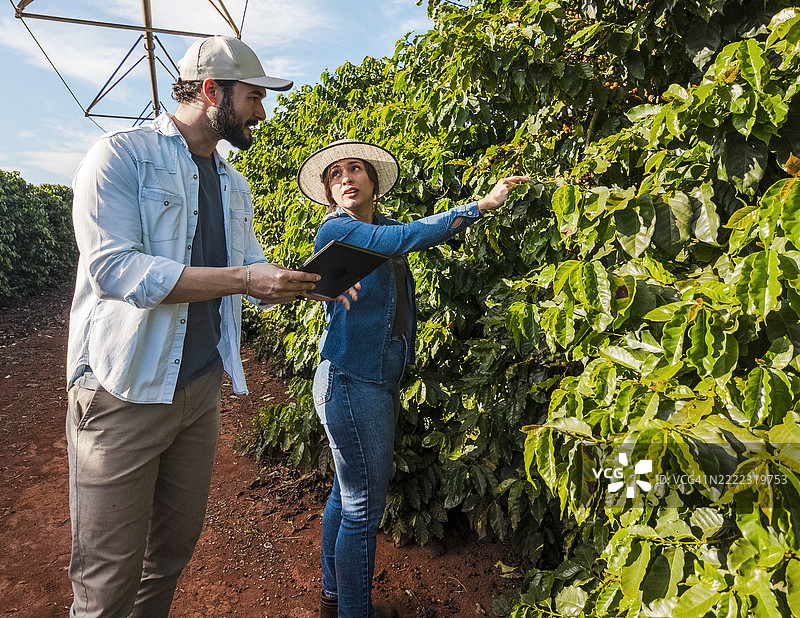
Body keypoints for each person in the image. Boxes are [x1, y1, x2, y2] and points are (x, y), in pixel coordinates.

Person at [66, 36, 356, 618]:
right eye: (253, 97)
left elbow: (251, 269)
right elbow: (115, 270)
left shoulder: (232, 182)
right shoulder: (120, 157)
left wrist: (305, 283)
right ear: (210, 91)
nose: (261, 113)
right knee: (107, 577)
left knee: (171, 553)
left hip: (199, 390)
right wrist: (246, 279)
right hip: (124, 390)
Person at [297, 139, 528, 618]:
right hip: (352, 380)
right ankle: (354, 613)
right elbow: (405, 238)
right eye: (335, 173)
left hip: (368, 377)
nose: (345, 178)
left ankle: (334, 599)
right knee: (362, 507)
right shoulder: (337, 230)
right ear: (329, 192)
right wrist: (480, 206)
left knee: (346, 495)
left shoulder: (378, 227)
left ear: (373, 181)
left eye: (355, 169)